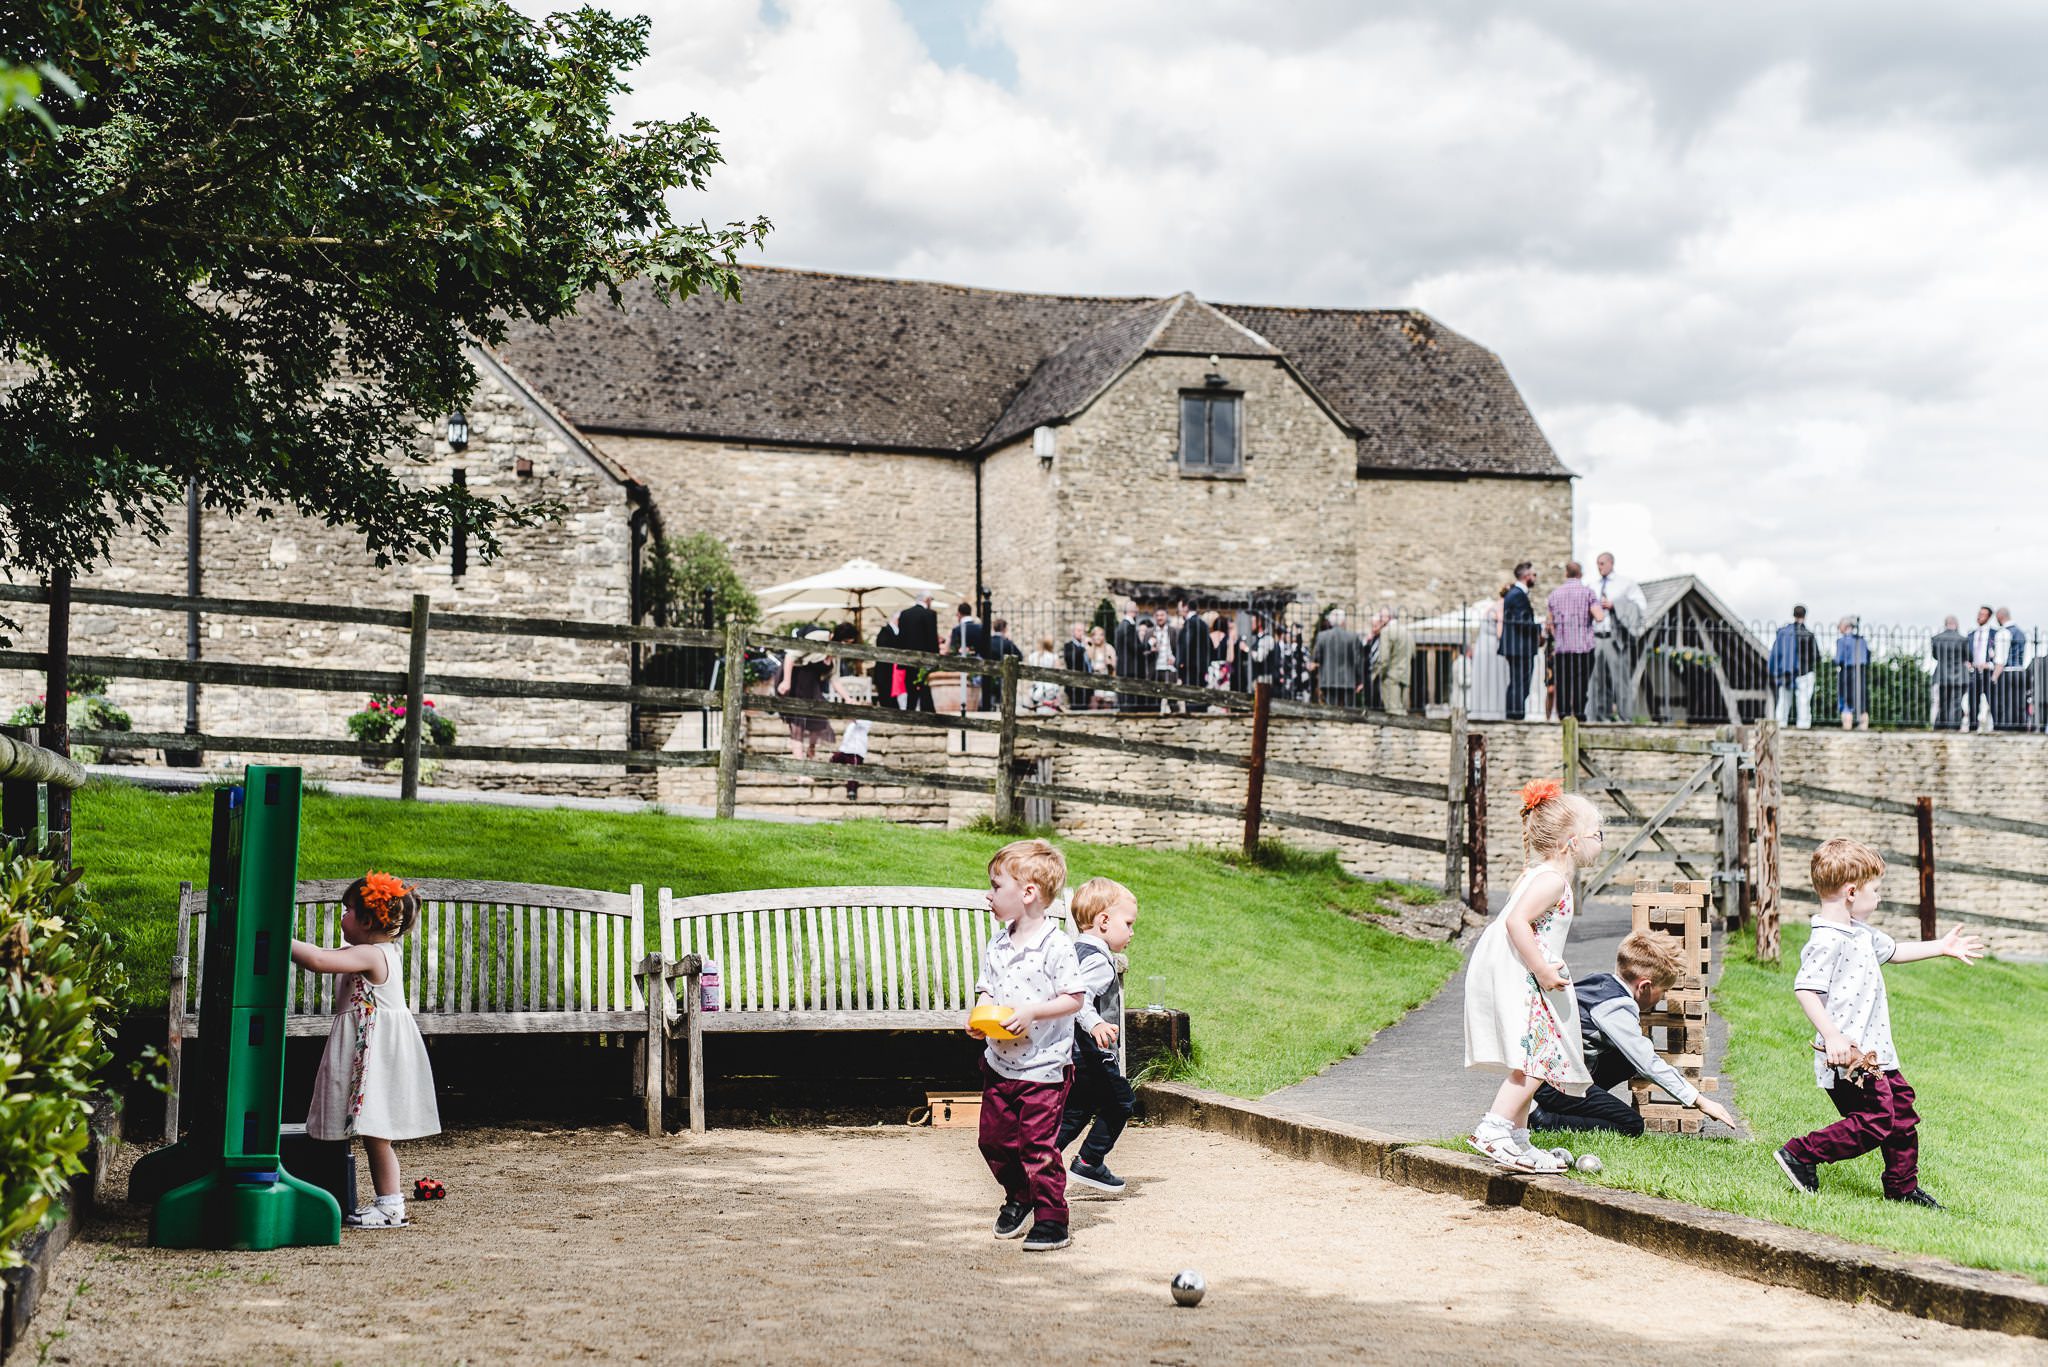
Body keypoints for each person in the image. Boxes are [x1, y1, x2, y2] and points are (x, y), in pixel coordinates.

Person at [1773, 839, 1983, 1207]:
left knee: (1901, 1116)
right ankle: (1800, 1154)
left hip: (1880, 1054)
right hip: (1852, 1058)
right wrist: (1833, 1036)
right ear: (1852, 891)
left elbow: (1896, 951)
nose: (1880, 897)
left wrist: (1942, 947)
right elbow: (1805, 989)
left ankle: (1901, 1188)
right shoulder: (1827, 939)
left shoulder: (1860, 932)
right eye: (1876, 890)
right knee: (1875, 1121)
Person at [1462, 779, 1601, 1172]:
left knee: (1531, 1058)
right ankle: (1493, 1128)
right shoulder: (1552, 879)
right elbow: (1517, 923)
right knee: (1541, 1059)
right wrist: (1542, 970)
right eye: (1596, 834)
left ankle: (1517, 1138)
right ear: (1571, 842)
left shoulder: (1543, 874)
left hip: (1527, 977)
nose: (1600, 842)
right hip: (1526, 980)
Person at [292, 872, 439, 1228]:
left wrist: (273, 933)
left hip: (375, 1053)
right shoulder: (368, 952)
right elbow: (324, 956)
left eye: (347, 910)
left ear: (368, 920)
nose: (342, 917)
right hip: (366, 1049)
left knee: (378, 1133)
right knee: (374, 1133)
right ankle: (386, 1204)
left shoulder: (374, 955)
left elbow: (318, 961)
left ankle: (391, 1206)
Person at [969, 839, 1085, 1253]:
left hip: (1044, 1068)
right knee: (993, 1141)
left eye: (996, 886)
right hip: (1000, 1062)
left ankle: (1052, 1219)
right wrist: (982, 1014)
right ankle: (1019, 1195)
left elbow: (1074, 998)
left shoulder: (1056, 946)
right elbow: (988, 988)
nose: (989, 894)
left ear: (1029, 893)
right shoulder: (999, 943)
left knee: (1037, 1145)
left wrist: (1033, 1012)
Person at [1528, 932, 1738, 1135]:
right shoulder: (1617, 1008)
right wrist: (1700, 1101)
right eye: (1664, 991)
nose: (1663, 997)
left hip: (1548, 1071)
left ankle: (1561, 1104)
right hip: (1554, 1083)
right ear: (1645, 987)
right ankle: (1542, 1119)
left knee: (1626, 1059)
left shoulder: (1602, 981)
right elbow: (1648, 1064)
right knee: (1631, 1124)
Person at [1057, 877, 1138, 1195]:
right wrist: (1095, 1025)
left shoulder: (1073, 951)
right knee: (1121, 1102)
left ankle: (1037, 1157)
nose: (1131, 932)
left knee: (1077, 1110)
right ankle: (1089, 1161)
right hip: (1092, 1053)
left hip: (1072, 1052)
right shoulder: (1099, 961)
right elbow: (1079, 999)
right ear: (1104, 921)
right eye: (1128, 923)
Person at [1587, 552, 1648, 722]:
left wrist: (1615, 605)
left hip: (1616, 638)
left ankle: (1625, 717)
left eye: (1602, 563)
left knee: (1620, 679)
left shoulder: (1626, 584)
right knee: (1597, 680)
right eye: (1598, 564)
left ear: (1611, 563)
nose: (1600, 567)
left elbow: (1641, 606)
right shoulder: (1592, 585)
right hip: (1596, 636)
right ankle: (1600, 716)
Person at [1545, 561, 1601, 722]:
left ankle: (1563, 715)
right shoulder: (1588, 593)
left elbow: (1549, 624)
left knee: (1562, 683)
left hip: (1563, 648)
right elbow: (1599, 616)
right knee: (1580, 683)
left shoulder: (1554, 594)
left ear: (1566, 574)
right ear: (1580, 574)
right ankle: (1579, 714)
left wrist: (1559, 635)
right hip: (1583, 647)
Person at [775, 627, 837, 759]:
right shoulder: (819, 637)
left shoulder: (836, 652)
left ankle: (811, 750)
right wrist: (786, 682)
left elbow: (834, 677)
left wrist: (848, 698)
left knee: (819, 721)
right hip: (797, 684)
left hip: (812, 688)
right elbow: (790, 656)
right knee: (797, 727)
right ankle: (801, 771)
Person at [1499, 563, 1540, 721]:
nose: (1535, 578)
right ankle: (1516, 716)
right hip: (1520, 647)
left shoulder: (1514, 593)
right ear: (1526, 576)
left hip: (1517, 646)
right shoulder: (1517, 594)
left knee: (1518, 682)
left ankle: (1514, 713)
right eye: (1534, 575)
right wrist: (1540, 628)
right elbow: (1522, 622)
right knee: (1520, 683)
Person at [1770, 606, 1821, 730]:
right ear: (1805, 616)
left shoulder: (1783, 633)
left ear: (1793, 615)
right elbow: (1816, 656)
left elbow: (1776, 654)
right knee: (1803, 701)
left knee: (1783, 701)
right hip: (1805, 672)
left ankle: (1781, 724)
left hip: (1787, 672)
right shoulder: (1808, 634)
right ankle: (1803, 726)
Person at [1309, 608, 1365, 707]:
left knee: (1330, 713)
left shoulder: (1322, 636)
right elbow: (1357, 661)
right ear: (1343, 621)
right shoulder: (1353, 637)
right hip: (1348, 681)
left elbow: (1317, 657)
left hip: (1328, 680)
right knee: (1348, 713)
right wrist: (1359, 680)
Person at [896, 592, 940, 712]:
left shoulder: (905, 614)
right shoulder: (930, 614)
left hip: (909, 659)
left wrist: (902, 660)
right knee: (925, 686)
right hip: (924, 659)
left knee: (911, 688)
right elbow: (932, 639)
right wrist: (936, 660)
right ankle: (927, 713)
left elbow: (901, 638)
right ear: (927, 600)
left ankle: (911, 711)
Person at [1370, 609, 1414, 714]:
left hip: (1391, 676)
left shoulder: (1386, 631)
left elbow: (1384, 659)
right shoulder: (1407, 632)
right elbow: (1413, 654)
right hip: (1405, 675)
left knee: (1393, 712)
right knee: (1402, 710)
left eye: (1382, 617)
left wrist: (1378, 674)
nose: (1380, 620)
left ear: (1388, 618)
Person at [1928, 615, 1968, 731]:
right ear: (1956, 624)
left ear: (1945, 624)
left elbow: (1935, 657)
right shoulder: (1963, 639)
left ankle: (1940, 726)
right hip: (1959, 676)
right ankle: (1954, 726)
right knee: (1956, 702)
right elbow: (1967, 656)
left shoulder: (1936, 639)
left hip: (1942, 675)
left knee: (1943, 702)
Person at [1965, 605, 2001, 733]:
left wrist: (1989, 664)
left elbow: (1999, 655)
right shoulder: (1971, 635)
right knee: (1973, 702)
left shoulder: (1995, 634)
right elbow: (1966, 654)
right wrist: (1968, 663)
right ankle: (1973, 728)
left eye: (1983, 614)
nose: (1979, 616)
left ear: (1989, 617)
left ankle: (1997, 728)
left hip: (1989, 673)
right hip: (1974, 673)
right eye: (1979, 613)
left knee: (1993, 702)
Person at [1834, 617, 1871, 730]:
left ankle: (1847, 726)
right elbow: (1868, 657)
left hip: (1847, 672)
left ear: (1845, 626)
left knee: (1846, 700)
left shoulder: (1842, 641)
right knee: (1862, 698)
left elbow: (1837, 660)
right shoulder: (1862, 640)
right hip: (1861, 672)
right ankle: (1863, 726)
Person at [1112, 600, 1148, 713]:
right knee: (1129, 701)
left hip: (1124, 668)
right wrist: (1149, 645)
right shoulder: (1128, 626)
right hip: (1130, 669)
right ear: (1133, 610)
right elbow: (1135, 647)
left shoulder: (1121, 625)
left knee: (1126, 699)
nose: (1137, 610)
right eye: (1136, 608)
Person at [1995, 607, 2027, 731]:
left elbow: (2000, 660)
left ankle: (2008, 730)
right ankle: (2021, 728)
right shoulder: (2022, 633)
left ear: (2000, 617)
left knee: (2006, 704)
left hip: (2008, 672)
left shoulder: (2003, 633)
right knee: (2019, 704)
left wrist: (1994, 677)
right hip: (2020, 671)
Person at [983, 616, 1023, 708]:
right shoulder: (1007, 643)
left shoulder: (988, 642)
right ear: (1004, 629)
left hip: (988, 674)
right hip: (1003, 675)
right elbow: (1020, 656)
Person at [874, 611, 904, 710]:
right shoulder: (885, 632)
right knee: (886, 697)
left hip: (891, 672)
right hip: (885, 671)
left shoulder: (894, 632)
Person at [1027, 636, 1064, 713]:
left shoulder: (1032, 656)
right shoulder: (1053, 657)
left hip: (1036, 688)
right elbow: (1059, 672)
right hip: (1050, 689)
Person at [1061, 622, 1092, 711]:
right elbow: (1071, 659)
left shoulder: (1087, 646)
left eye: (1083, 631)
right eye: (1079, 630)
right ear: (1073, 632)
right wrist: (1083, 648)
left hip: (1087, 684)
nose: (1081, 633)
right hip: (1075, 686)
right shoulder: (1068, 646)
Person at [1086, 626, 1117, 710]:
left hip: (1107, 679)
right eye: (1095, 635)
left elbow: (1115, 665)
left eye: (1101, 635)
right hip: (1095, 681)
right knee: (1094, 705)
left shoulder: (1109, 648)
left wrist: (1109, 663)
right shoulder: (1090, 649)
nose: (1098, 637)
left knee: (1107, 706)